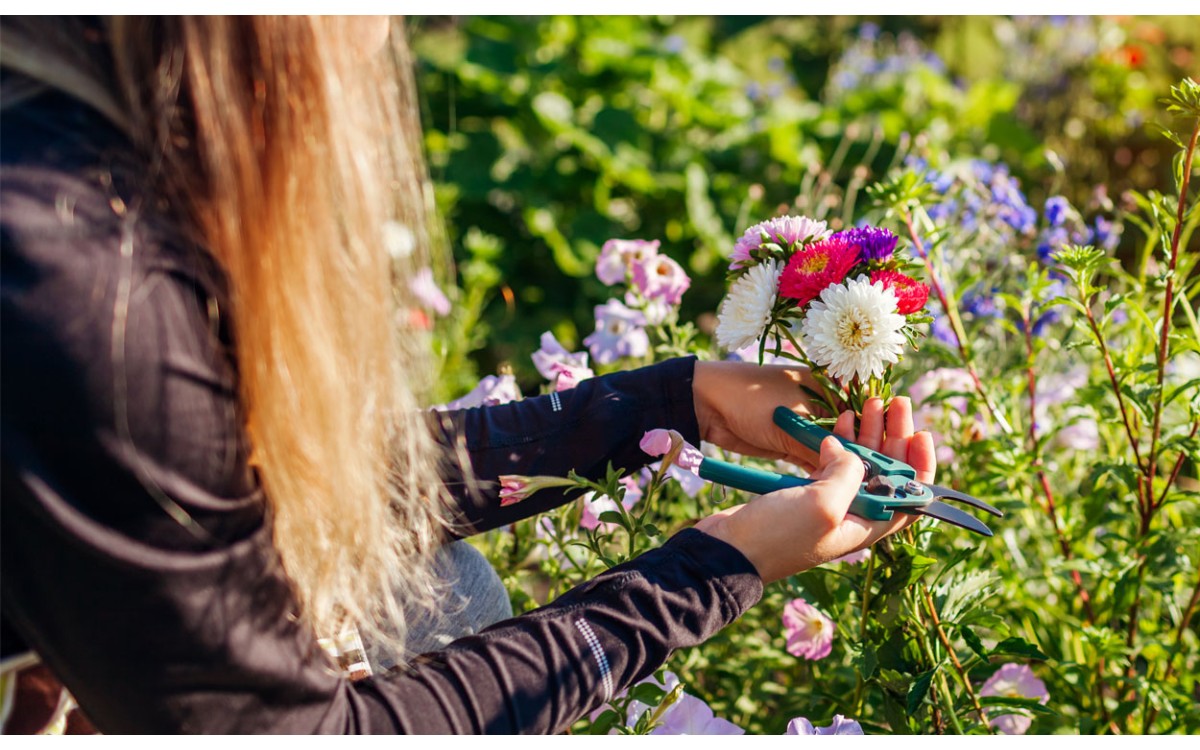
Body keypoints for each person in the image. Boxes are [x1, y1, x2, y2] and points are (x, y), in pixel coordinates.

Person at [0, 17, 935, 734]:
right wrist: (712, 568)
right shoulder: (85, 293)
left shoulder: (66, 161)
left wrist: (672, 399)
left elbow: (284, 484)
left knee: (434, 578)